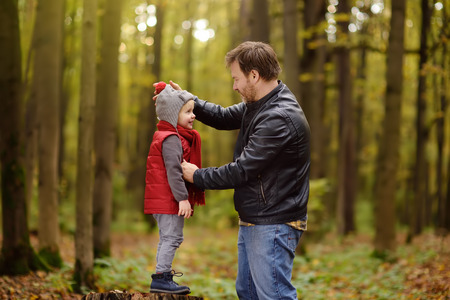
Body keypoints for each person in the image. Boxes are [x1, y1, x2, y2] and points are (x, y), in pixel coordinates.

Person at [177, 41, 310, 300]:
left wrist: (196, 176)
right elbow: (224, 116)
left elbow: (242, 170)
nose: (235, 86)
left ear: (254, 75)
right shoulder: (261, 103)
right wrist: (188, 99)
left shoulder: (278, 116)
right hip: (256, 217)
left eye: (237, 79)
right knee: (248, 293)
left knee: (273, 295)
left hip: (273, 221)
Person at [144, 82, 205, 295]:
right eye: (187, 111)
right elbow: (173, 171)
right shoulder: (171, 139)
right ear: (172, 115)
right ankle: (161, 277)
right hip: (168, 199)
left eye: (193, 111)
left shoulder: (167, 135)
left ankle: (162, 275)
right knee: (172, 238)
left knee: (168, 238)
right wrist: (183, 198)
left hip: (163, 199)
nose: (193, 115)